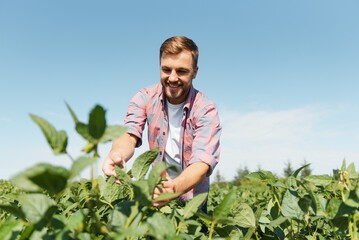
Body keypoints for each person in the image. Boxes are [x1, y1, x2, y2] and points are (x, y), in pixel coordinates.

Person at [102, 36, 221, 208]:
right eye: (166, 70)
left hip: (192, 199)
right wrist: (117, 155)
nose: (172, 78)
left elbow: (202, 162)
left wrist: (174, 188)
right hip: (157, 192)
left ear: (195, 72)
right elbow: (129, 134)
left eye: (181, 71)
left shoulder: (205, 109)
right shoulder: (144, 97)